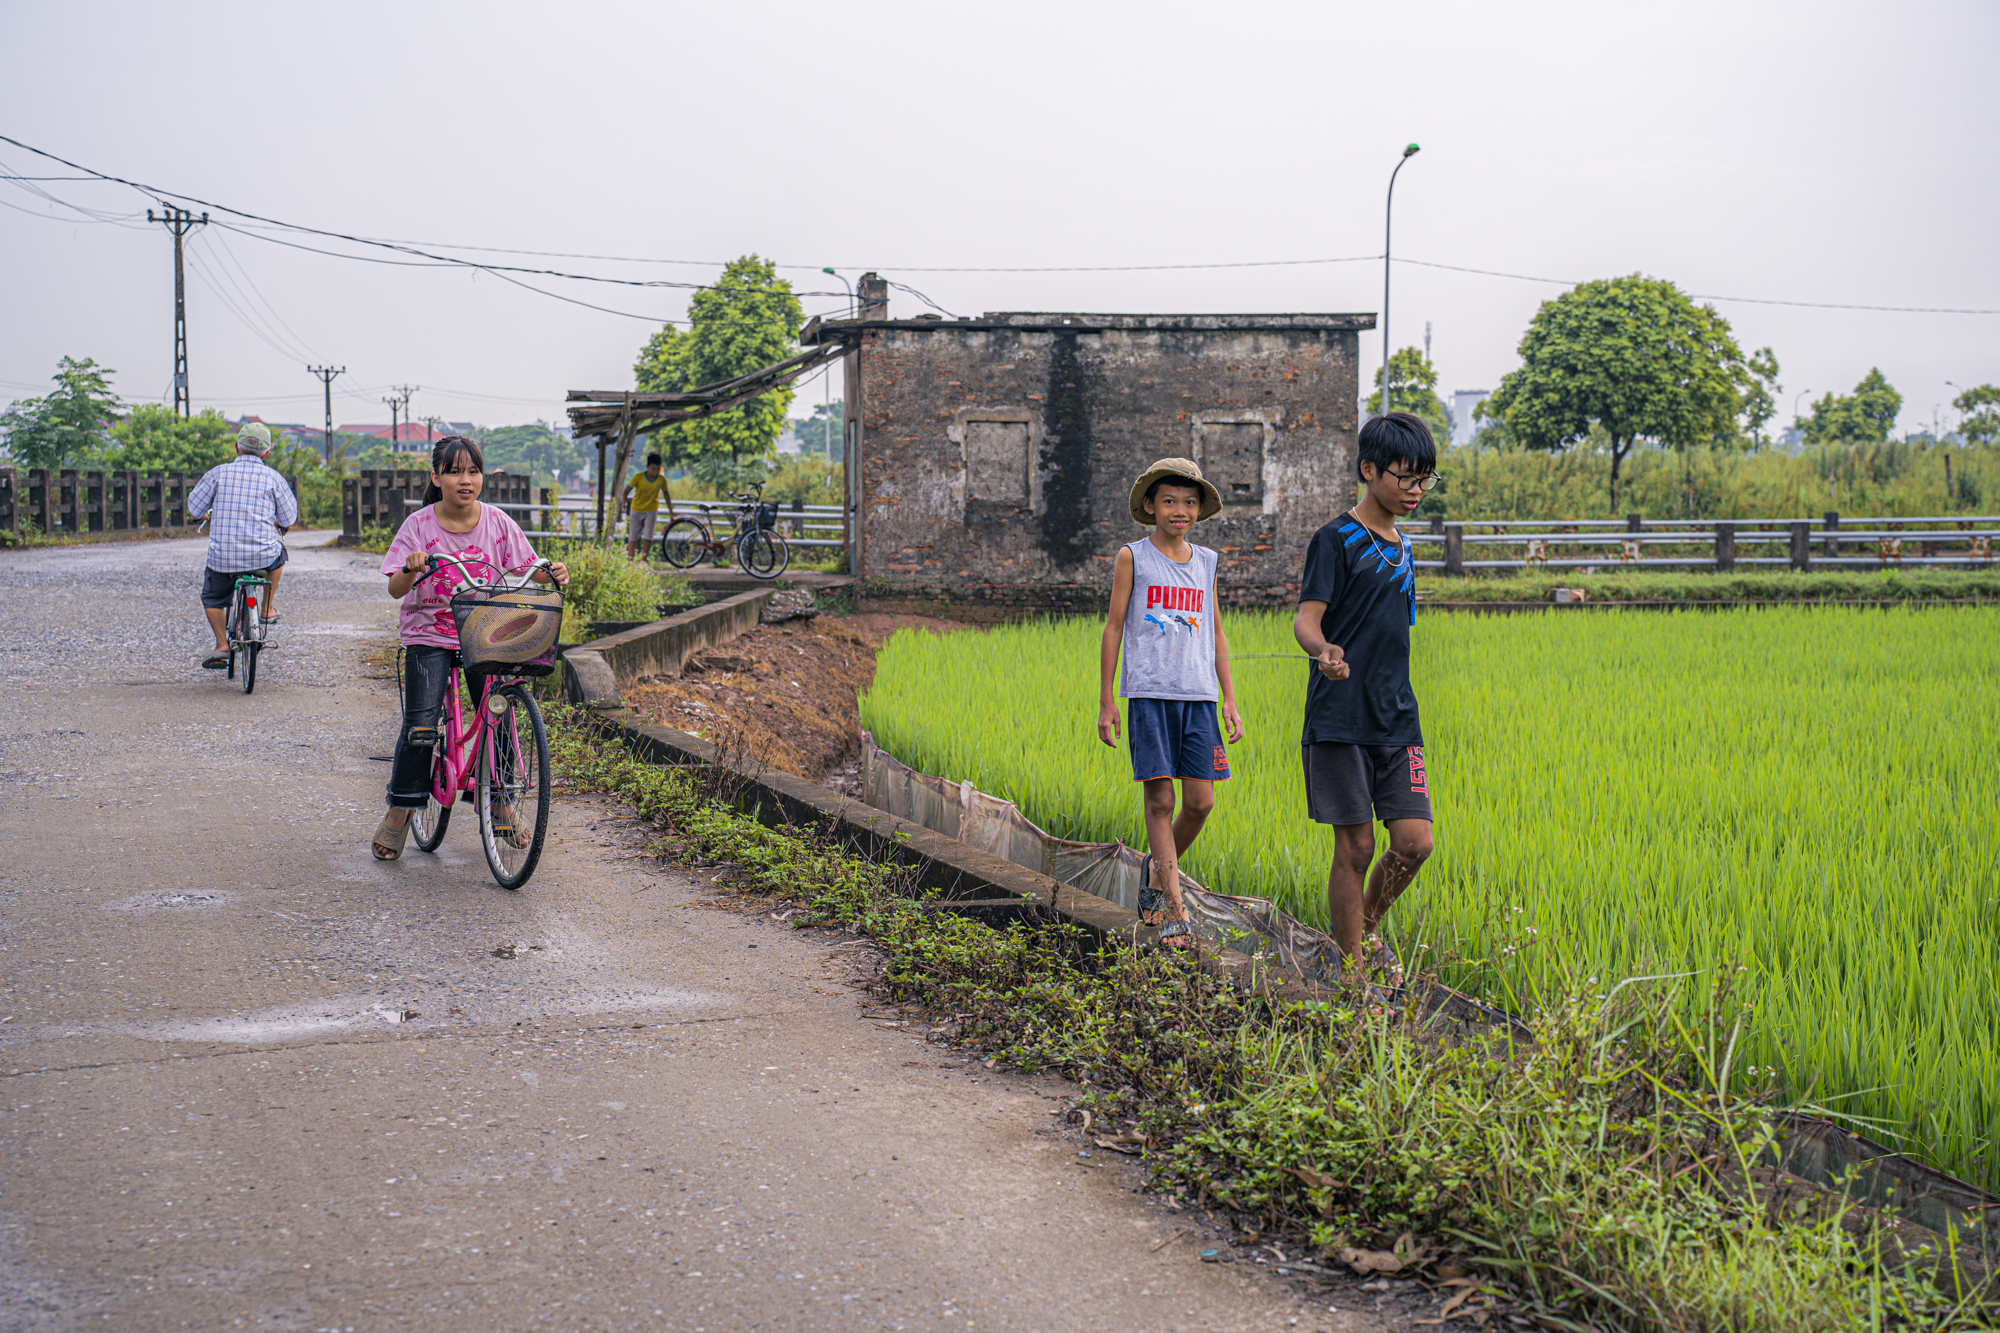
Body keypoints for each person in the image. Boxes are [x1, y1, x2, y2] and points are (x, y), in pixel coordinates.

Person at [371, 436, 569, 862]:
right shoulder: (419, 526)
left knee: (499, 713)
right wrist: (411, 567)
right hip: (430, 634)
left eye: (473, 471)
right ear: (436, 477)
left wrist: (551, 573)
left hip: (483, 632)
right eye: (456, 471)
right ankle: (400, 809)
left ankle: (498, 802)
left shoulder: (498, 523)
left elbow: (528, 569)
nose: (466, 480)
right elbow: (394, 588)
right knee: (421, 725)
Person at [1292, 411, 1440, 979]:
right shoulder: (1336, 539)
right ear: (1368, 470)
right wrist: (1324, 650)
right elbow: (1307, 620)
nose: (1417, 491)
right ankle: (1353, 974)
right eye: (1406, 478)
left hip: (1397, 716)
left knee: (1414, 842)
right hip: (1339, 717)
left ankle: (1365, 932)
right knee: (1354, 850)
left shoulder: (1403, 548)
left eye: (1425, 479)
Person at [1097, 458, 1244, 950]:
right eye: (1169, 501)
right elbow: (1114, 627)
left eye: (1188, 501)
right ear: (1149, 505)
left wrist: (1229, 697)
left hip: (1199, 696)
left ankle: (1156, 873)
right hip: (1149, 694)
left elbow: (1218, 631)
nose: (1179, 510)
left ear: (1199, 509)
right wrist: (1107, 701)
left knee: (1200, 802)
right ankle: (1176, 911)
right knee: (1161, 801)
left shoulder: (1206, 563)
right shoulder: (1132, 557)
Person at [186, 421, 299, 669]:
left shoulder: (218, 473)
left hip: (223, 559)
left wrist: (201, 516)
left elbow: (194, 509)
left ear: (236, 446)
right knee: (280, 552)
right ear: (267, 453)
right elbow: (289, 518)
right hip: (263, 556)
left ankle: (221, 645)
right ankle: (267, 608)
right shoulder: (274, 478)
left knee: (213, 596)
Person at [622, 451, 670, 560]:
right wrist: (623, 503)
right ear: (647, 467)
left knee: (648, 535)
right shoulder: (638, 477)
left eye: (658, 469)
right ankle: (630, 559)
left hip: (651, 509)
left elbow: (666, 494)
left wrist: (671, 510)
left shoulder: (661, 480)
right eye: (653, 468)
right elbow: (625, 491)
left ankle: (644, 559)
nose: (655, 471)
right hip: (636, 509)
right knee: (633, 536)